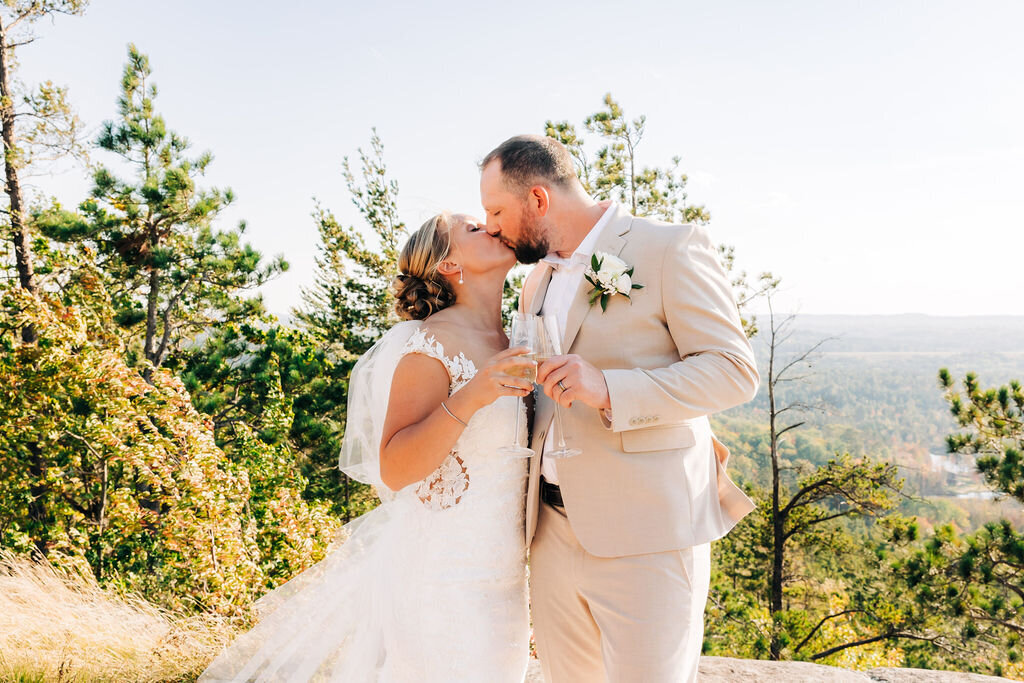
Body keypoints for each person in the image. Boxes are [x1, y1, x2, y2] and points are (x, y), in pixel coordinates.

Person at [200, 212, 534, 682]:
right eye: (473, 229)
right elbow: (395, 467)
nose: (492, 227)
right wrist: (474, 393)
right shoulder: (429, 345)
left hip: (504, 577)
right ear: (449, 265)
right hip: (445, 578)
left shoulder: (517, 335)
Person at [480, 134, 760, 682]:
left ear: (538, 199)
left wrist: (609, 388)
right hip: (552, 532)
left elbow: (734, 370)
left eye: (497, 210)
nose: (491, 225)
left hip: (648, 532)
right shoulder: (535, 280)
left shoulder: (669, 248)